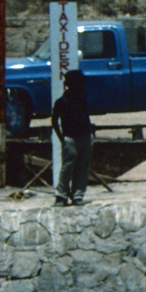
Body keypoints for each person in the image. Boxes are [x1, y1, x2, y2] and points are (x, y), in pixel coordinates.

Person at [50, 70, 95, 206]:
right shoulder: (62, 102)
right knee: (67, 167)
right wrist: (62, 138)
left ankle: (77, 195)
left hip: (85, 137)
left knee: (83, 168)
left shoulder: (82, 99)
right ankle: (61, 195)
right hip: (71, 139)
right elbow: (54, 120)